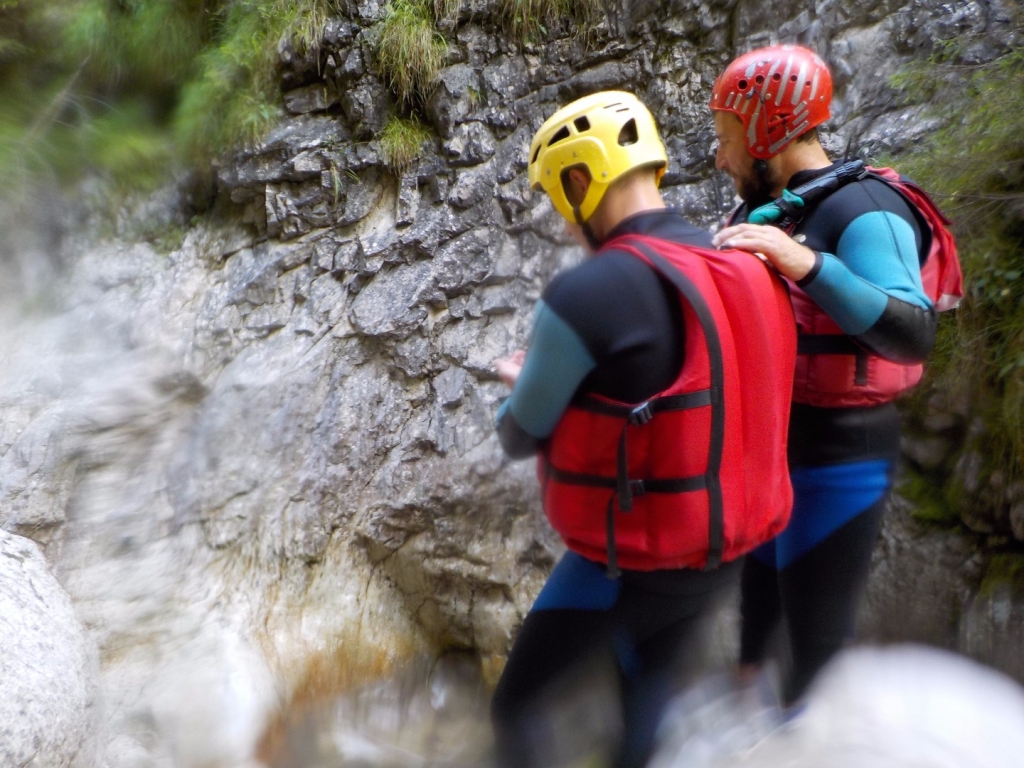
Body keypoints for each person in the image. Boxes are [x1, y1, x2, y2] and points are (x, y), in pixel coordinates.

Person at [490, 90, 798, 768]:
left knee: (515, 706)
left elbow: (521, 432)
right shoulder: (745, 261)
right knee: (646, 691)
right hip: (725, 550)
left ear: (580, 180)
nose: (565, 222)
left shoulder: (587, 292)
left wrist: (519, 386)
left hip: (631, 562)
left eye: (557, 198)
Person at [709, 44, 959, 708]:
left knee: (815, 647)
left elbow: (912, 331)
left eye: (726, 137)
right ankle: (744, 731)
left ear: (766, 130)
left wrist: (806, 265)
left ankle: (809, 739)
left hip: (842, 454)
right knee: (755, 626)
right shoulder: (761, 215)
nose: (719, 157)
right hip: (770, 448)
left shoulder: (867, 210)